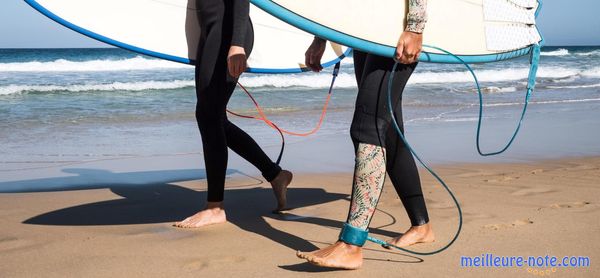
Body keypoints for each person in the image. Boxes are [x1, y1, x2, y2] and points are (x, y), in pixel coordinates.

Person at [296, 0, 434, 269]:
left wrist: (415, 27)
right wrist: (321, 36)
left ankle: (351, 244)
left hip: (397, 26)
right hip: (369, 25)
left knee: (368, 125)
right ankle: (422, 226)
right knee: (388, 129)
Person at [174, 0, 293, 228]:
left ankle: (215, 208)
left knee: (209, 116)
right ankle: (276, 175)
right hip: (210, 33)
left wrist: (237, 43)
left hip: (227, 33)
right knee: (214, 117)